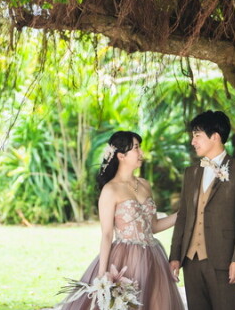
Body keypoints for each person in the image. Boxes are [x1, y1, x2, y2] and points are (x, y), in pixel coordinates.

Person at [60, 130, 186, 310]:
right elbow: (106, 235)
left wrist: (183, 214)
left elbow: (154, 226)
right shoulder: (110, 190)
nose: (141, 153)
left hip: (154, 257)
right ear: (121, 155)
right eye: (136, 148)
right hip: (125, 260)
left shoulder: (144, 184)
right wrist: (103, 273)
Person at [169, 111, 235, 310]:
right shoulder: (191, 172)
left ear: (215, 136)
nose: (193, 141)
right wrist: (175, 256)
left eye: (197, 135)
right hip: (191, 262)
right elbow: (183, 216)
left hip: (224, 261)